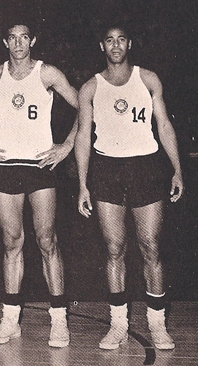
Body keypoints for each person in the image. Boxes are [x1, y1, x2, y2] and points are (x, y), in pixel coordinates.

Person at [75, 25, 184, 350]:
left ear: (130, 44)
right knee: (114, 249)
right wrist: (82, 184)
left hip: (146, 167)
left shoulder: (147, 79)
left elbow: (164, 125)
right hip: (107, 168)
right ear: (102, 45)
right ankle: (118, 324)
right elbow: (83, 136)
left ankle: (157, 325)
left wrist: (178, 170)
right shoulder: (90, 87)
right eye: (110, 40)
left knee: (150, 246)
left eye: (121, 39)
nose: (116, 45)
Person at [0, 22, 79, 347]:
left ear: (32, 40)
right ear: (6, 42)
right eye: (12, 38)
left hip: (40, 164)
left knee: (47, 240)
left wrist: (67, 146)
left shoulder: (47, 74)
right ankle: (10, 320)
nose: (18, 43)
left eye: (24, 38)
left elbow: (84, 105)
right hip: (6, 166)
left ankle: (59, 320)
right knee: (11, 242)